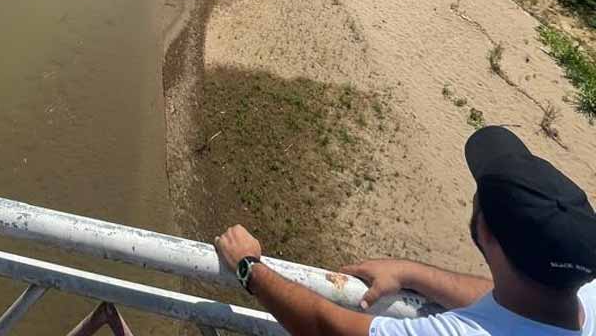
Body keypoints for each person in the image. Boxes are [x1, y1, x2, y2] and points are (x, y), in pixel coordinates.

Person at [214, 126, 596, 335]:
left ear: (487, 234)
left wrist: (248, 266)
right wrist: (412, 273)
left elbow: (323, 327)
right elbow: (511, 299)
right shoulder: (575, 293)